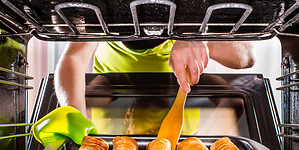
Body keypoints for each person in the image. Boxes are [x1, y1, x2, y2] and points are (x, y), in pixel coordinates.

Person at [54, 40, 254, 116]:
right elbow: (73, 57)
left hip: (182, 146)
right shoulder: (104, 9)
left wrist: (202, 38)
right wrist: (72, 114)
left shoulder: (192, 13)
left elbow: (246, 57)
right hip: (110, 141)